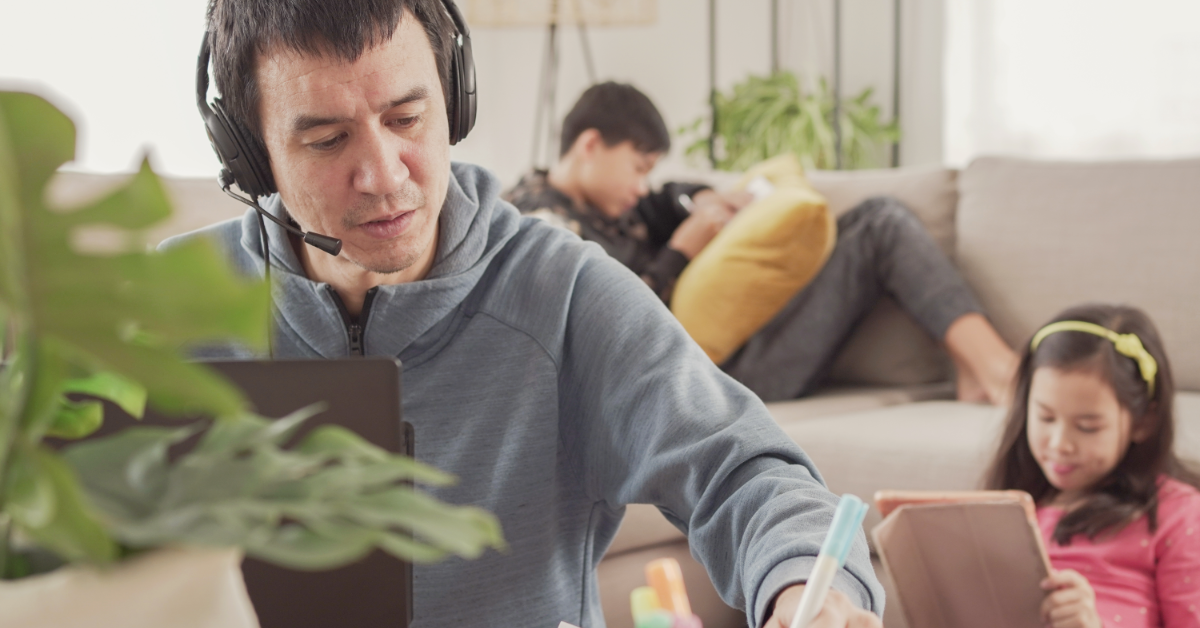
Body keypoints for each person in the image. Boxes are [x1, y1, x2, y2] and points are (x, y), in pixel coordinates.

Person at [170, 0, 886, 626]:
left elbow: (744, 471)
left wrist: (803, 589)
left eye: (408, 117)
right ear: (250, 155)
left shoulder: (562, 291)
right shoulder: (164, 307)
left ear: (455, 100)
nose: (386, 175)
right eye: (327, 139)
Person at [505, 82, 1017, 405]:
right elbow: (612, 329)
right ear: (591, 146)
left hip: (737, 353)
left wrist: (707, 199)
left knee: (875, 220)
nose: (642, 185)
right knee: (880, 224)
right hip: (713, 377)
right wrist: (682, 250)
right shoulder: (542, 223)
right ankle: (1000, 372)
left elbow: (666, 198)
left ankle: (979, 367)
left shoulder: (611, 205)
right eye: (638, 167)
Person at [983, 304, 1200, 628]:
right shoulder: (1009, 506)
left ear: (1144, 422)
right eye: (1045, 417)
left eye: (1087, 427)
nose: (1059, 444)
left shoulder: (1177, 515)